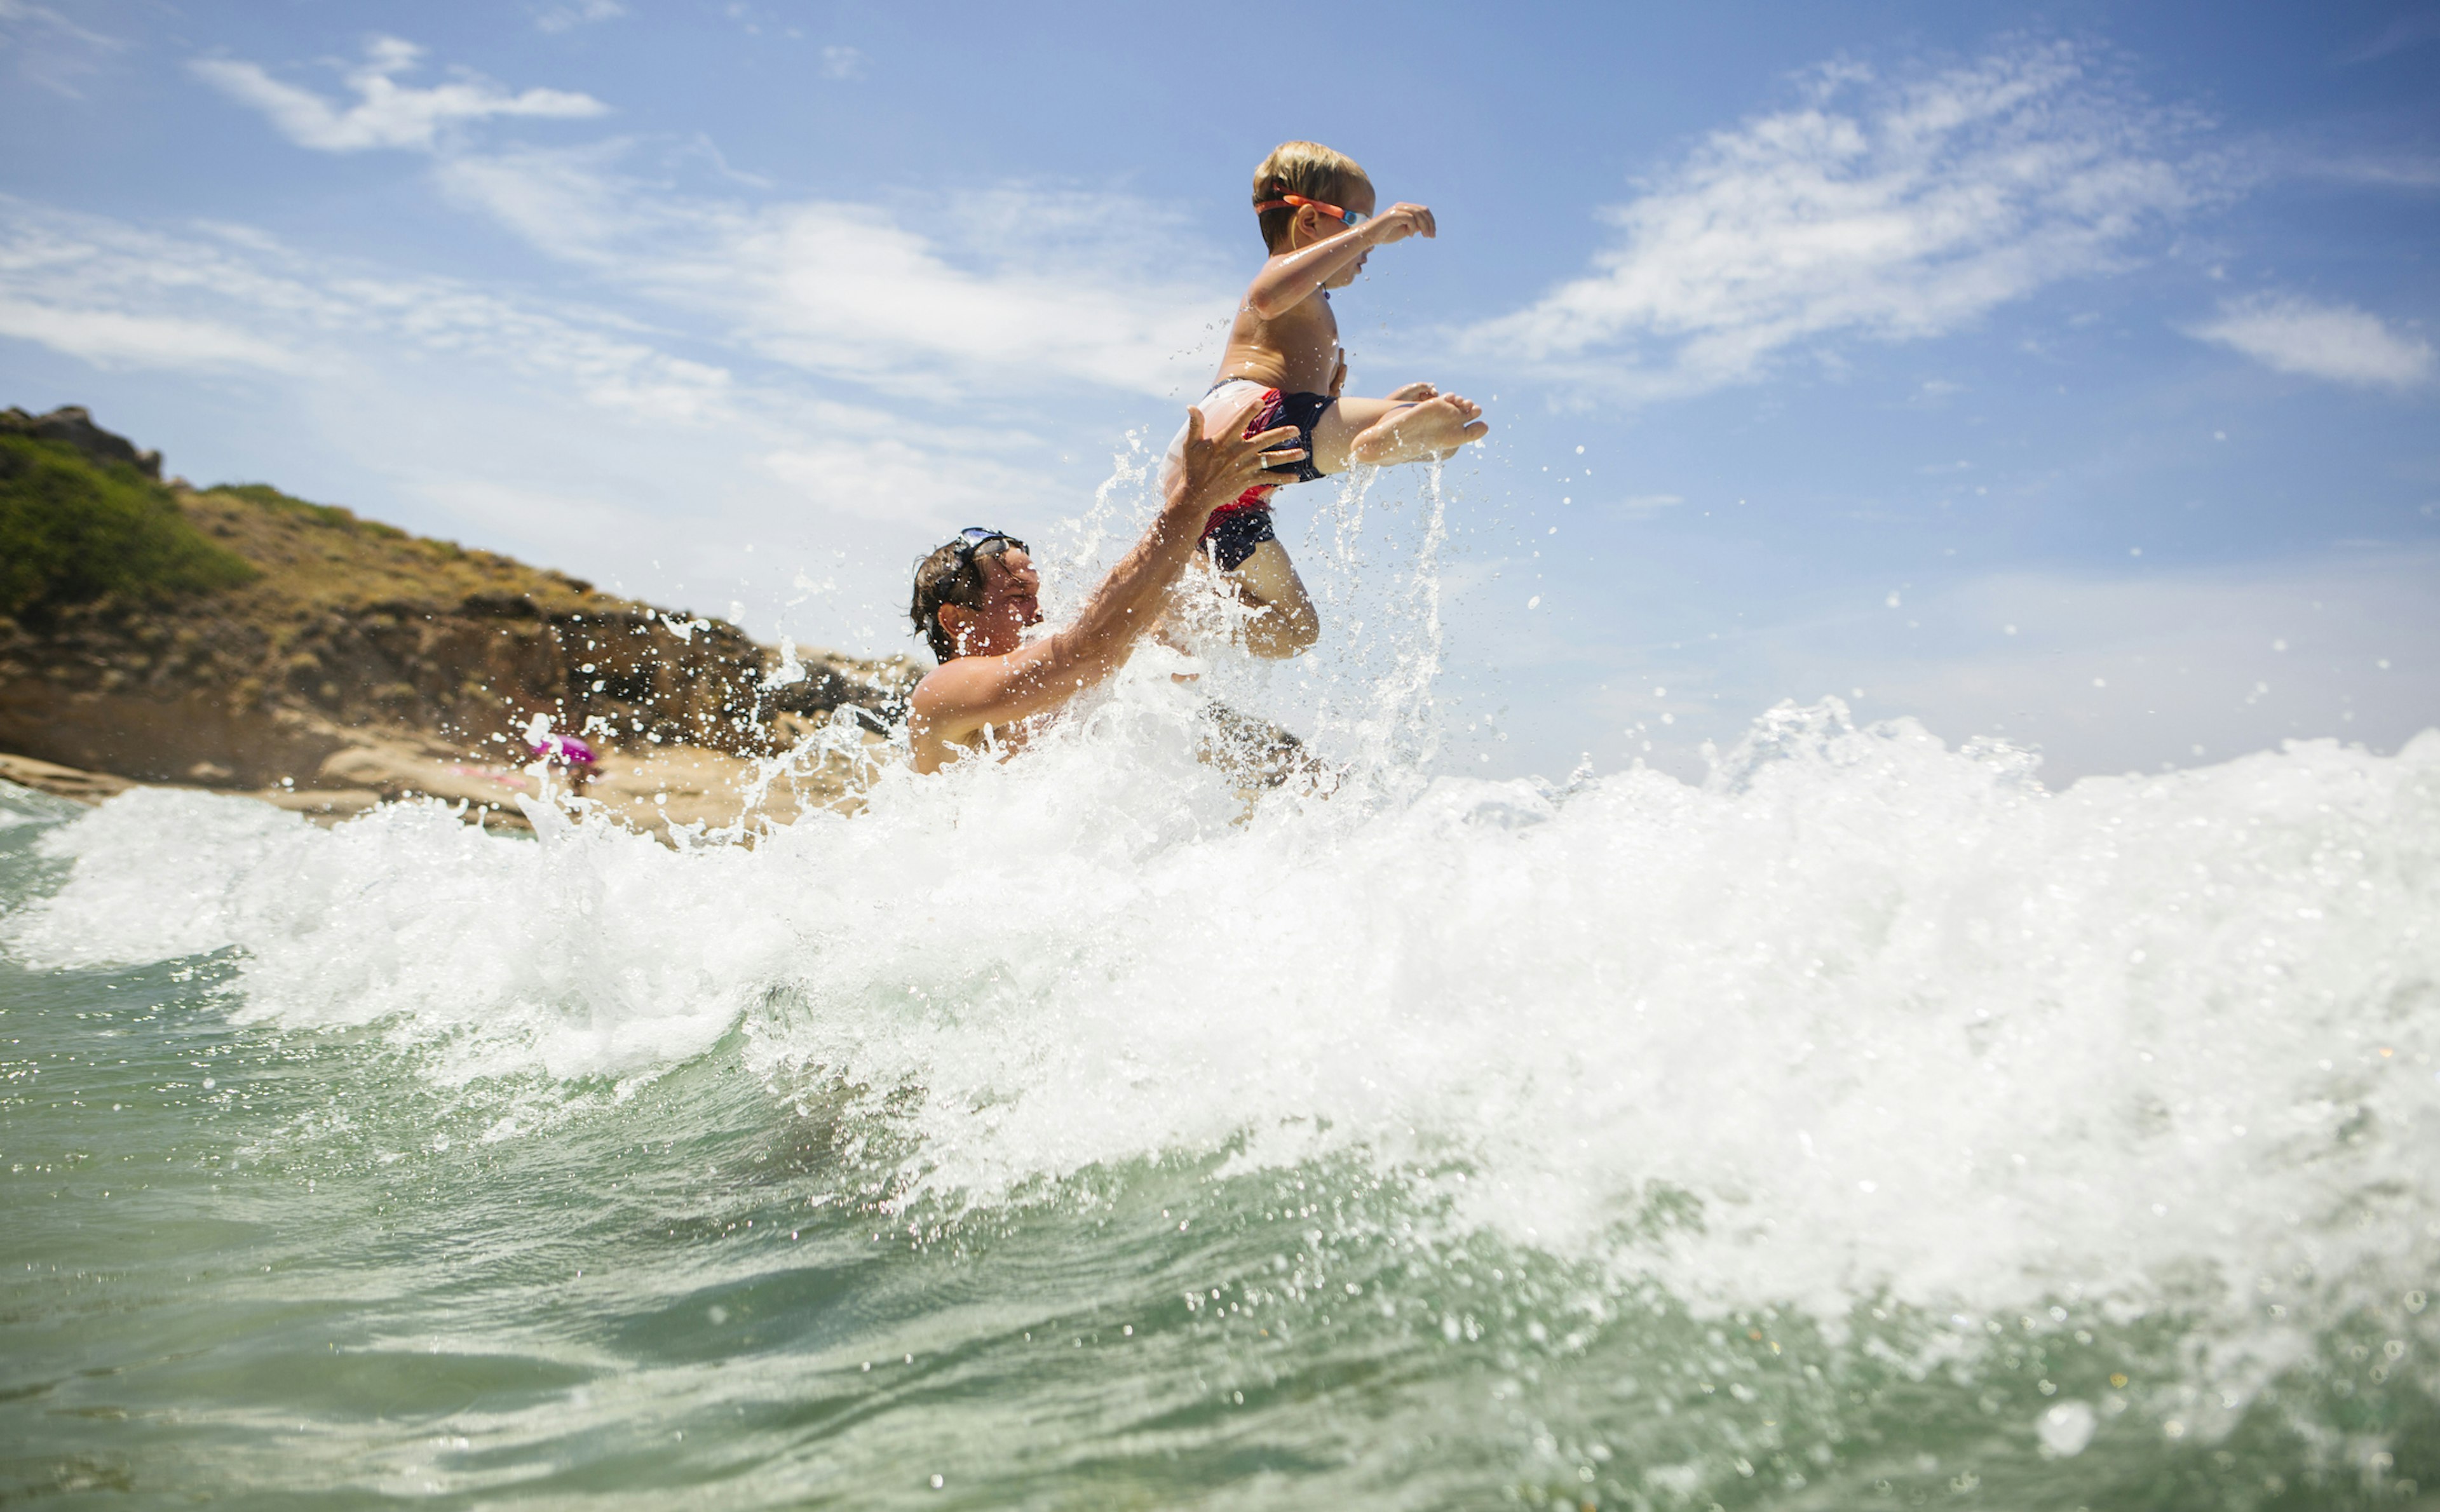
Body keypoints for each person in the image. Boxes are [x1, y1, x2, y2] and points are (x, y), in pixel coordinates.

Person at [1158, 140, 1491, 659]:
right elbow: (1268, 296)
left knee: (1296, 631)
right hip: (1239, 426)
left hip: (1240, 494)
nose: (1370, 243)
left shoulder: (1315, 305)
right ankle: (1383, 439)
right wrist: (1374, 229)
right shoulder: (1282, 281)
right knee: (1440, 431)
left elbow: (1311, 418)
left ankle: (1181, 617)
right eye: (1356, 219)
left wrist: (1385, 406)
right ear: (1310, 222)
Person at [905, 407, 1302, 774]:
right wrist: (1192, 501)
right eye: (1016, 597)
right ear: (955, 620)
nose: (1037, 613)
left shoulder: (1052, 695)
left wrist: (1229, 511)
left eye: (1034, 595)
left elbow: (1284, 631)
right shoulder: (940, 696)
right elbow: (1086, 653)